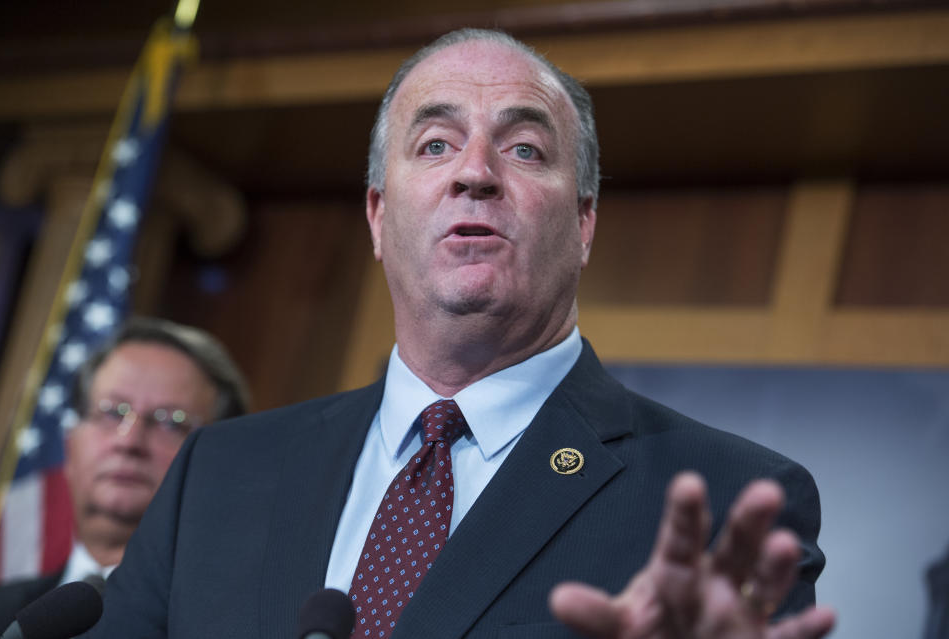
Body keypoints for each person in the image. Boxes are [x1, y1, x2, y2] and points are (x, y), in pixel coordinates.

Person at [84, 29, 835, 639]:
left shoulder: (726, 505)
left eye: (525, 149)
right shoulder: (218, 473)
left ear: (583, 224)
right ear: (379, 215)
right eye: (436, 144)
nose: (475, 172)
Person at [0, 317, 249, 637]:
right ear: (70, 447)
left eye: (171, 422)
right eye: (113, 412)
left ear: (221, 467)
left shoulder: (229, 627)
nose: (129, 441)